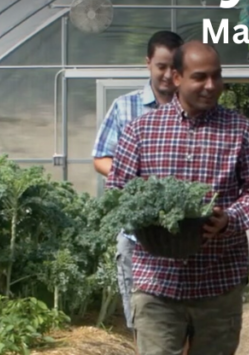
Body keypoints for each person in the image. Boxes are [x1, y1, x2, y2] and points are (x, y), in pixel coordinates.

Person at [106, 40, 249, 355]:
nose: (211, 86)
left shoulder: (242, 131)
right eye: (200, 77)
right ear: (178, 78)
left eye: (217, 76)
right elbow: (116, 190)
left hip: (219, 281)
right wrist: (145, 218)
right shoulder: (140, 131)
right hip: (157, 281)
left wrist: (231, 218)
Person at [91, 30, 184, 334]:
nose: (168, 75)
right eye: (161, 66)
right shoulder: (124, 107)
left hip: (182, 231)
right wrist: (134, 180)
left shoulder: (193, 111)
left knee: (182, 322)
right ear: (148, 64)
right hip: (135, 232)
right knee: (142, 318)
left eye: (174, 67)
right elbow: (100, 158)